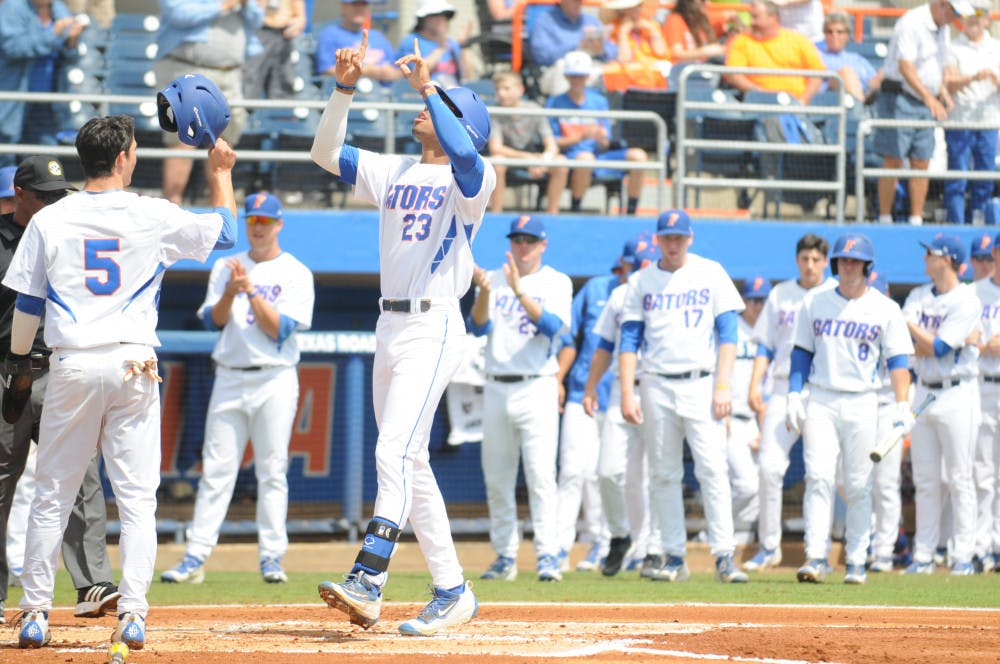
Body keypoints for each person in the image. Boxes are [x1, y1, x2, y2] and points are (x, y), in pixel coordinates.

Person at [5, 111, 238, 650]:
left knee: (52, 491)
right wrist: (220, 171)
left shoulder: (50, 219)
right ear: (124, 157)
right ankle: (132, 612)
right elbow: (225, 234)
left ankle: (36, 611)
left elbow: (28, 304)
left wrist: (19, 363)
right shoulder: (150, 213)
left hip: (72, 361)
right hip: (135, 362)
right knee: (136, 498)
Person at [310, 32, 495, 636]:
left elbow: (467, 158)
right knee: (409, 463)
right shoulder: (396, 170)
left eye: (438, 106)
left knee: (393, 450)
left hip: (435, 320)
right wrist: (343, 88)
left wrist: (429, 86)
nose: (422, 108)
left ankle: (370, 577)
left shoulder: (474, 178)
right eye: (425, 101)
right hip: (388, 322)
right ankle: (452, 589)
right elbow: (324, 153)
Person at [160, 192, 314, 586]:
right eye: (252, 221)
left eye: (265, 220)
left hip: (275, 377)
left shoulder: (296, 271)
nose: (258, 227)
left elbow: (279, 330)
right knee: (216, 471)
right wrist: (231, 290)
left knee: (272, 470)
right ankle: (195, 556)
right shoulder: (227, 267)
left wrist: (249, 291)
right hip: (229, 374)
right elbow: (213, 322)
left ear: (279, 224)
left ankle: (272, 557)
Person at [0, 155, 121, 625]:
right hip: (5, 371)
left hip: (59, 368)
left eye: (58, 194)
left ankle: (92, 583)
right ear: (20, 195)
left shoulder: (69, 233)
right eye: (44, 195)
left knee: (82, 477)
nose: (53, 202)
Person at [618, 210, 749, 584]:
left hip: (701, 381)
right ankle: (674, 555)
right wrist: (628, 391)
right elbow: (629, 340)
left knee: (712, 469)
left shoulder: (710, 272)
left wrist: (724, 385)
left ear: (689, 238)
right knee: (663, 472)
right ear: (657, 240)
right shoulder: (642, 280)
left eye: (679, 237)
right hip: (656, 381)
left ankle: (725, 554)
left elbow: (729, 334)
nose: (673, 244)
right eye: (667, 238)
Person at [785, 234, 914, 584]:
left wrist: (902, 404)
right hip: (823, 397)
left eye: (854, 260)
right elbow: (801, 353)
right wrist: (794, 394)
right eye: (843, 259)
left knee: (858, 484)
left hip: (863, 399)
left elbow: (898, 361)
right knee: (819, 478)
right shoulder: (815, 301)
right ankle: (815, 557)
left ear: (867, 266)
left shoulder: (885, 308)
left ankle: (857, 559)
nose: (847, 265)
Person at [470, 216, 571, 583]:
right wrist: (484, 290)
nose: (522, 245)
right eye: (517, 239)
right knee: (497, 477)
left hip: (537, 384)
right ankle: (505, 556)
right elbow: (478, 326)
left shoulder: (556, 281)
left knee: (542, 476)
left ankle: (548, 554)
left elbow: (553, 328)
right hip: (497, 383)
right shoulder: (495, 280)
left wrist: (517, 291)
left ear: (543, 244)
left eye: (530, 239)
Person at [744, 233, 834, 571]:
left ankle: (816, 552)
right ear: (797, 260)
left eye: (816, 259)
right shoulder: (781, 293)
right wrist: (755, 384)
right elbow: (765, 344)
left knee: (820, 472)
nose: (810, 265)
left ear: (825, 262)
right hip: (782, 387)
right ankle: (769, 547)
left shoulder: (834, 294)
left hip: (821, 390)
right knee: (768, 467)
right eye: (804, 259)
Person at [584, 238, 664, 578]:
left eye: (645, 262)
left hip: (659, 384)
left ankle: (656, 548)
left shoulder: (666, 290)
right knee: (607, 471)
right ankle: (619, 535)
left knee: (661, 472)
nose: (639, 268)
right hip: (622, 387)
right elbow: (603, 345)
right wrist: (590, 385)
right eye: (634, 263)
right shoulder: (619, 296)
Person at [901, 233, 981, 575]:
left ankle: (963, 554)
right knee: (926, 479)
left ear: (946, 259)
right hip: (925, 391)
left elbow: (940, 349)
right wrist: (921, 337)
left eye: (930, 254)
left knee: (961, 477)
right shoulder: (919, 294)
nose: (925, 259)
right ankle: (923, 555)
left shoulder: (967, 300)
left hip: (958, 391)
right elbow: (906, 345)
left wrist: (910, 326)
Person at [554, 242, 634, 574]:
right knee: (572, 470)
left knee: (604, 474)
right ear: (621, 264)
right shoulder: (596, 289)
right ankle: (557, 547)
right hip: (582, 392)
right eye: (631, 264)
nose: (635, 270)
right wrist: (558, 377)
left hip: (619, 396)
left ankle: (602, 541)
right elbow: (571, 338)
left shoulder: (647, 295)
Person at [873, 0, 974, 226]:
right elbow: (906, 67)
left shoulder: (943, 28)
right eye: (954, 12)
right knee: (893, 158)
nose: (955, 18)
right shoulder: (911, 23)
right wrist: (930, 98)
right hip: (899, 97)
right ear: (941, 5)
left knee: (922, 160)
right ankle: (885, 218)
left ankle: (915, 219)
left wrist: (941, 93)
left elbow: (934, 68)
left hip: (923, 100)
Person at [155, 0, 263, 204]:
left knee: (223, 142)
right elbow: (179, 14)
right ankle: (172, 207)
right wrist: (224, 5)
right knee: (182, 139)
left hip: (231, 73)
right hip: (187, 69)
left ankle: (220, 211)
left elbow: (257, 20)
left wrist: (247, 4)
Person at [545, 50, 649, 215]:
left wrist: (601, 138)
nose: (577, 80)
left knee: (639, 156)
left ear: (587, 77)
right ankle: (576, 209)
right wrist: (581, 137)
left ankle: (631, 211)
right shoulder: (555, 102)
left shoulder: (599, 101)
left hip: (598, 155)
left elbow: (605, 142)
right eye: (573, 76)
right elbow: (552, 142)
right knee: (585, 158)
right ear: (566, 77)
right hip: (571, 156)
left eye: (581, 76)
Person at [0, 0, 87, 166]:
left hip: (48, 101)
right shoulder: (12, 7)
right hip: (12, 101)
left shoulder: (59, 9)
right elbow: (14, 48)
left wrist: (72, 40)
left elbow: (70, 58)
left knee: (45, 163)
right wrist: (54, 33)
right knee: (5, 159)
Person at [942, 2, 1000, 225]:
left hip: (989, 120)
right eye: (970, 17)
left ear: (987, 20)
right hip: (961, 121)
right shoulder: (953, 47)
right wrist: (974, 78)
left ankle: (979, 220)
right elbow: (949, 83)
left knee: (985, 177)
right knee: (958, 176)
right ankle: (956, 222)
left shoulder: (996, 47)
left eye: (979, 16)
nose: (974, 21)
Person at [488, 70, 568, 215]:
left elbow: (551, 145)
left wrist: (543, 161)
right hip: (510, 160)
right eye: (498, 89)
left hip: (533, 159)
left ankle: (553, 214)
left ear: (520, 89)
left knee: (561, 163)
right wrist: (529, 158)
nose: (501, 93)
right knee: (498, 164)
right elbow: (496, 149)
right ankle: (496, 214)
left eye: (506, 88)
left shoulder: (534, 109)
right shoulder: (494, 112)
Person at [728, 276, 770, 544]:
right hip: (729, 418)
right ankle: (715, 530)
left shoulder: (769, 335)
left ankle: (740, 540)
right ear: (743, 301)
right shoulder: (731, 329)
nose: (757, 306)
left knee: (758, 488)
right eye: (753, 300)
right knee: (745, 485)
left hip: (757, 421)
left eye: (762, 301)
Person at [723, 0, 826, 104]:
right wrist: (760, 93)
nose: (752, 22)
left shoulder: (798, 40)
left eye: (756, 17)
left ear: (773, 17)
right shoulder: (742, 41)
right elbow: (734, 75)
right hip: (760, 104)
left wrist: (803, 100)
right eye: (751, 17)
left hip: (796, 104)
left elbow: (817, 74)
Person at [973, 232, 1000, 572]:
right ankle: (981, 547)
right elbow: (962, 339)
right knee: (981, 472)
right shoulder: (973, 293)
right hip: (981, 385)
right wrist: (983, 346)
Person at [529, 0, 618, 95]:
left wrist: (601, 50)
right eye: (574, 1)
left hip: (591, 66)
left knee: (612, 73)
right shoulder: (546, 20)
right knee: (565, 69)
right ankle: (565, 108)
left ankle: (605, 107)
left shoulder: (590, 20)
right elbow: (542, 55)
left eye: (580, 1)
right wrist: (578, 47)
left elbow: (613, 53)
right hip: (558, 69)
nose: (578, 3)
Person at [316, 0, 399, 85]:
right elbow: (326, 71)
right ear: (343, 7)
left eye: (363, 4)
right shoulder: (330, 34)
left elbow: (398, 70)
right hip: (349, 92)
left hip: (384, 95)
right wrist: (365, 71)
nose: (359, 9)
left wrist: (390, 73)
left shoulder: (378, 36)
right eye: (355, 4)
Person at [394, 0, 472, 90]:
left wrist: (463, 47)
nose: (441, 20)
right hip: (423, 97)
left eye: (444, 15)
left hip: (452, 97)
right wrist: (441, 47)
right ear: (424, 19)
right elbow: (417, 75)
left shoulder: (452, 43)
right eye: (435, 15)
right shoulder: (412, 41)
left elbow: (468, 75)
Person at [600, 0, 671, 91]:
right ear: (622, 10)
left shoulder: (651, 25)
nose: (638, 9)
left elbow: (661, 52)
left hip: (654, 79)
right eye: (633, 7)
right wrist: (623, 33)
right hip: (626, 81)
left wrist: (653, 31)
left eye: (639, 6)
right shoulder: (613, 30)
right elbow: (624, 59)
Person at [243, 0, 307, 101]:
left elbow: (300, 18)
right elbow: (250, 11)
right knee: (252, 76)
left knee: (283, 78)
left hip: (284, 35)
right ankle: (248, 111)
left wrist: (295, 27)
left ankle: (281, 113)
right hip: (260, 32)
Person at [815, 11, 882, 103]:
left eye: (839, 32)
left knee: (883, 73)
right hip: (833, 99)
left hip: (864, 93)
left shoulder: (857, 58)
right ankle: (862, 108)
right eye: (829, 32)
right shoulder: (817, 55)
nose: (834, 35)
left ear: (847, 35)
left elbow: (872, 80)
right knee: (846, 73)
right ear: (824, 34)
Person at [662, 0, 728, 64]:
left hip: (707, 66)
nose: (707, 2)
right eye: (703, 0)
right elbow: (677, 54)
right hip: (687, 69)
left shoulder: (702, 20)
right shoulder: (675, 20)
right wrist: (704, 52)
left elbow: (730, 15)